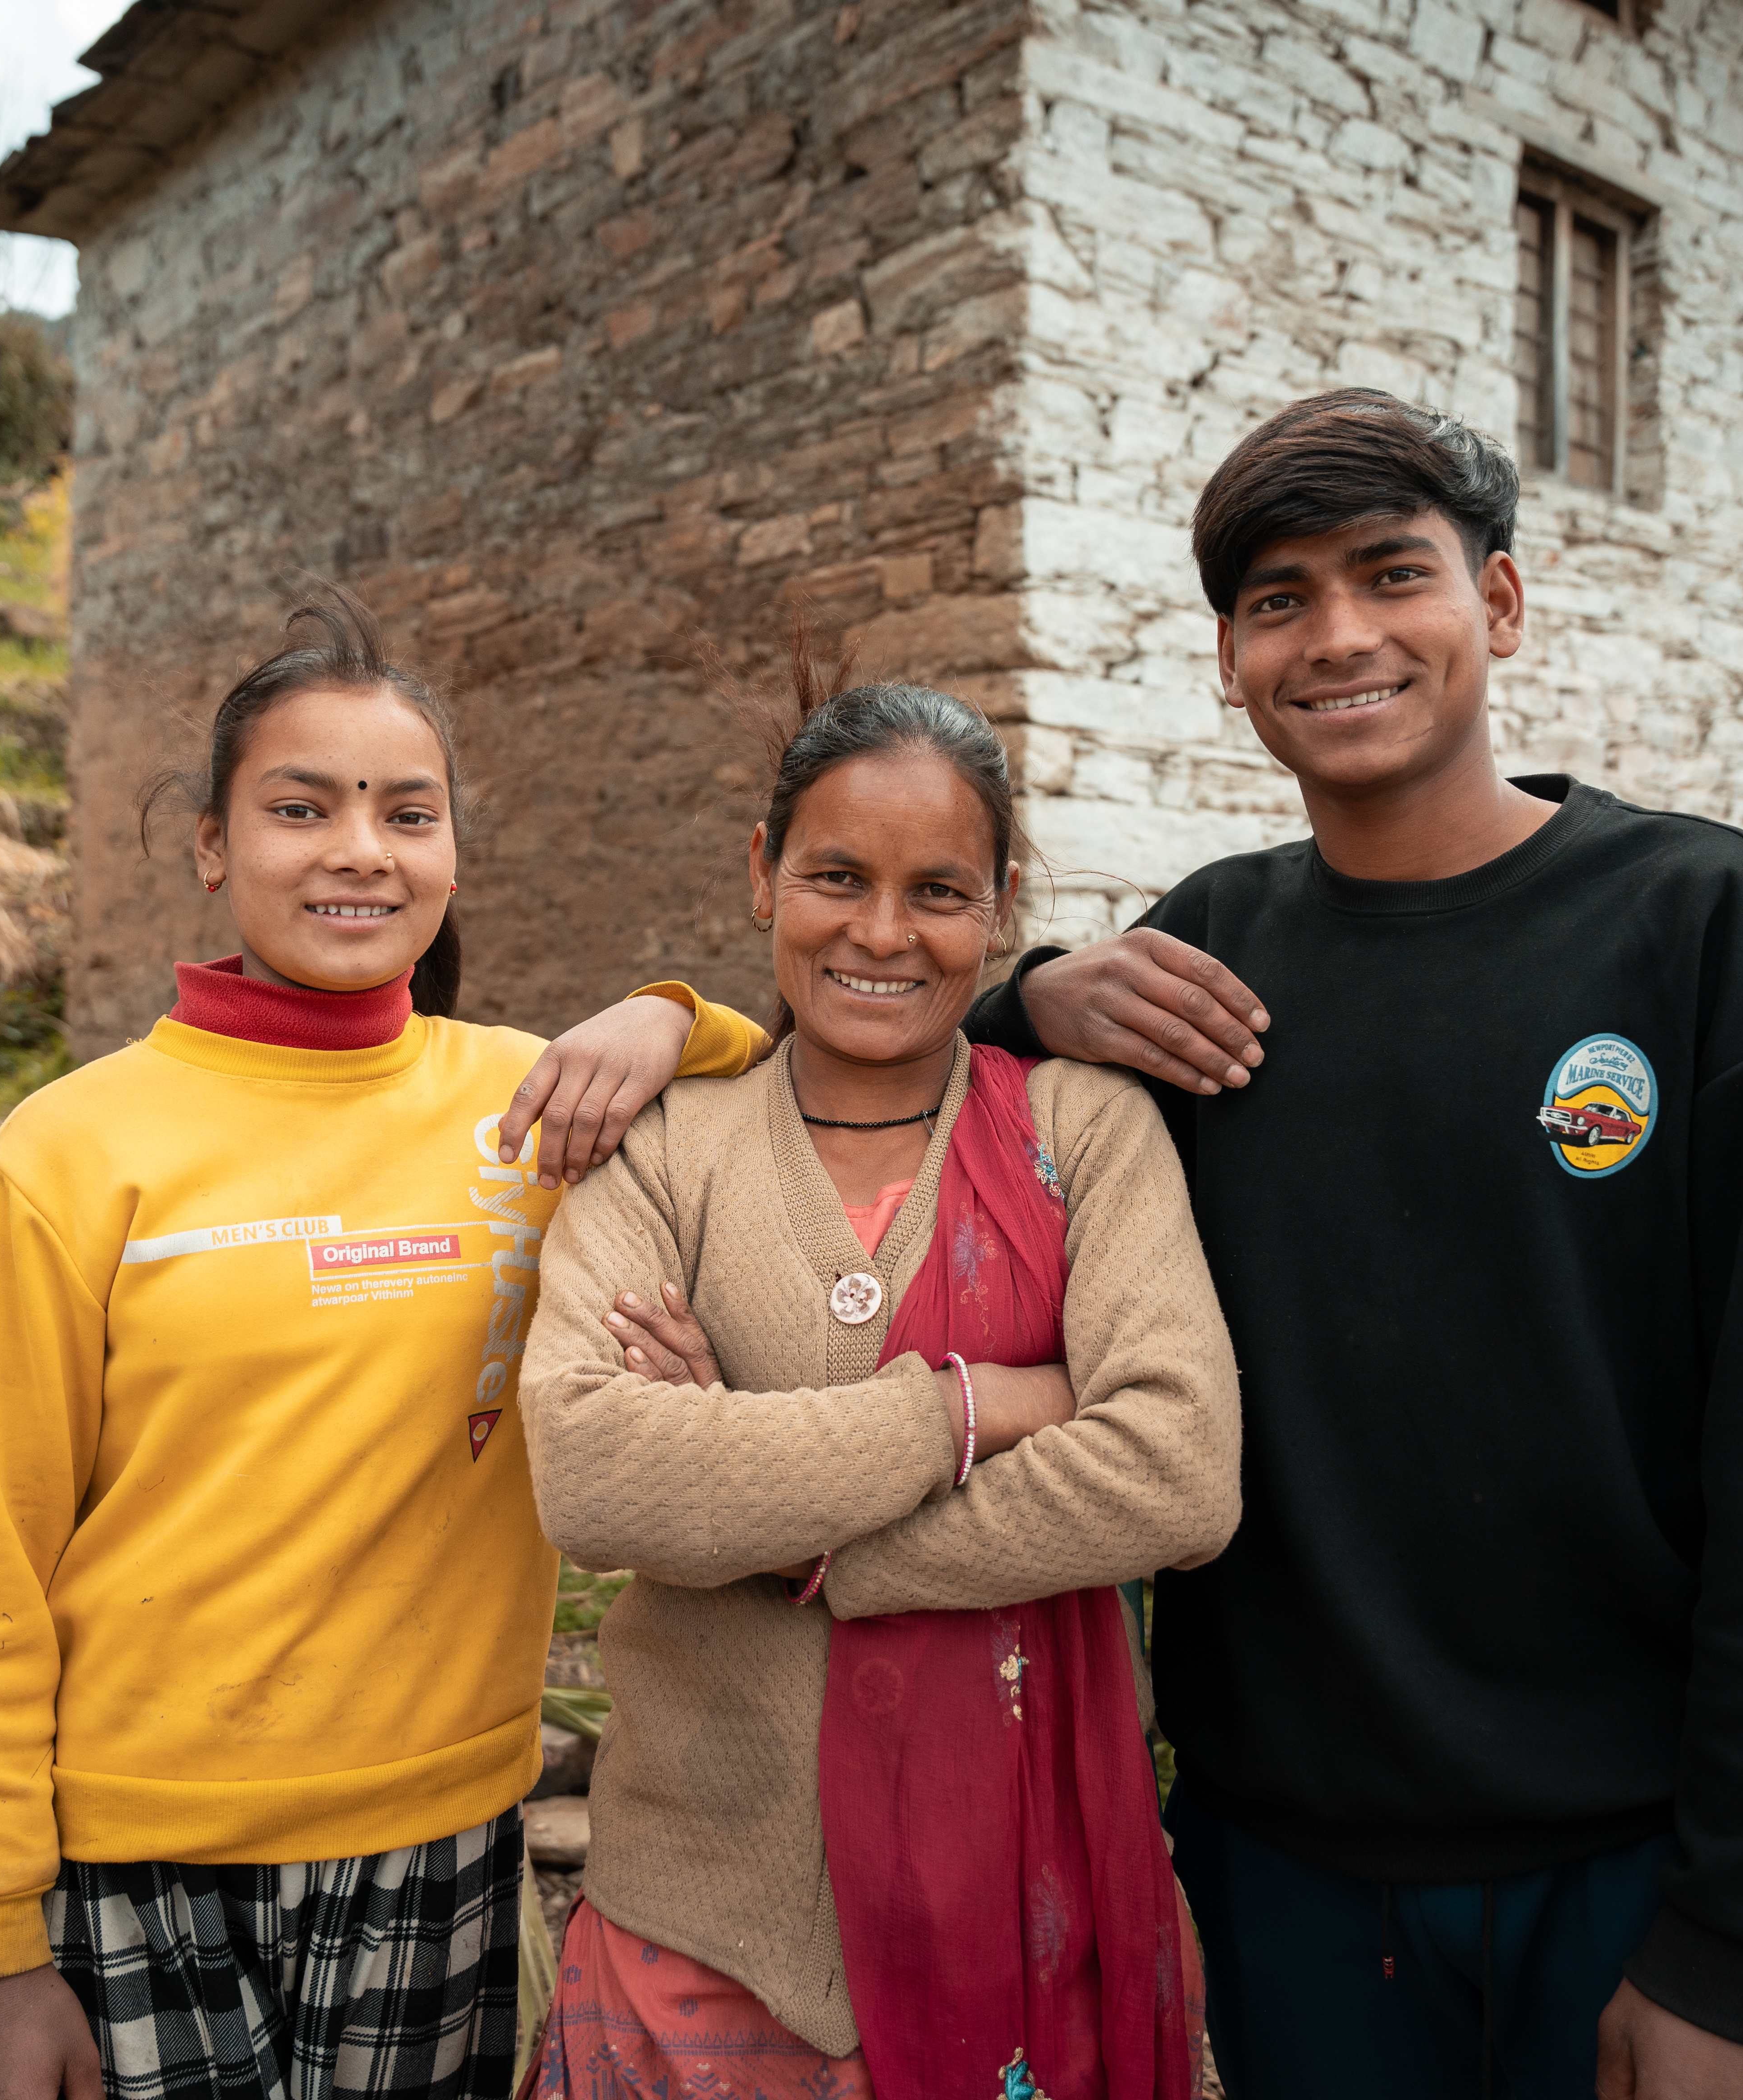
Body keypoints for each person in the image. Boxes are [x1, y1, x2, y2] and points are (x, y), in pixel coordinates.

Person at [965, 391, 1743, 2099]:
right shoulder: (1206, 962)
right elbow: (910, 1130)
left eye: (1395, 574)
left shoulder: (1700, 927)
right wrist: (1017, 1003)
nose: (1341, 637)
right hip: (1289, 1871)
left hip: (1633, 1867)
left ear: (1503, 605)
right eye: (1278, 600)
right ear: (1230, 662)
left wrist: (1739, 1955)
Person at [0, 593, 773, 2100]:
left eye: (407, 811)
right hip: (136, 1841)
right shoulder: (72, 1151)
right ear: (211, 846)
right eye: (301, 807)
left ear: (452, 852)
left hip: (433, 1820)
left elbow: (798, 1079)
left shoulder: (531, 1103)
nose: (360, 848)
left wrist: (664, 1015)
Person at [514, 660, 1241, 2099]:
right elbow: (594, 1472)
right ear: (762, 874)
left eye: (941, 892)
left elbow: (1177, 1469)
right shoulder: (665, 1145)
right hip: (699, 1922)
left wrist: (780, 1516)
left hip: (1027, 1893)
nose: (883, 934)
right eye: (836, 876)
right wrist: (972, 1407)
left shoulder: (1085, 1132)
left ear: (1004, 902)